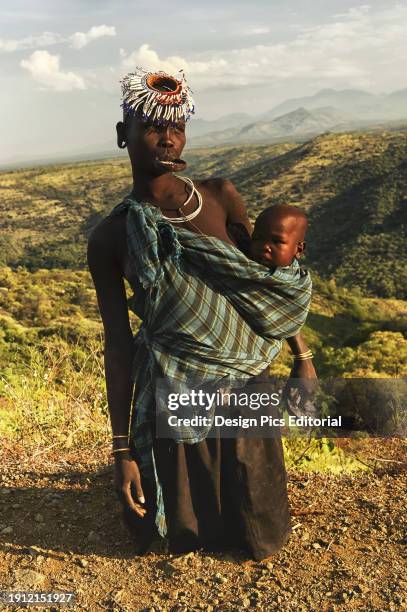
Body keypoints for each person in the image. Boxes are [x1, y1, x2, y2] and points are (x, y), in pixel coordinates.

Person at [87, 67, 317, 560]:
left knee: (261, 534)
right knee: (173, 532)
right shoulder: (111, 236)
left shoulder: (220, 195)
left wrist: (303, 356)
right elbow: (119, 344)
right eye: (151, 126)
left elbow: (262, 286)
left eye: (177, 126)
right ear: (122, 135)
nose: (168, 139)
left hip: (244, 382)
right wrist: (121, 451)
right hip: (174, 386)